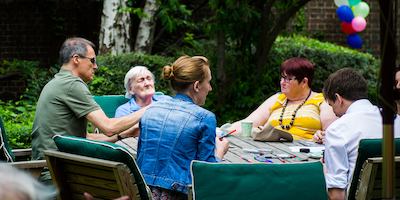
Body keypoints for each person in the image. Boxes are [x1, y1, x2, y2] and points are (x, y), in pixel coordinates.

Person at [31, 37, 146, 182]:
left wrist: (124, 134)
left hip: (48, 170)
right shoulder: (72, 85)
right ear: (76, 59)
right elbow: (109, 127)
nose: (96, 66)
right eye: (92, 60)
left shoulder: (57, 82)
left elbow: (87, 137)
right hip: (59, 175)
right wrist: (148, 109)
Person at [136, 55, 230, 199]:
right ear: (197, 86)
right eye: (209, 82)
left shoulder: (150, 111)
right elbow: (207, 173)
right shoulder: (205, 118)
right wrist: (220, 153)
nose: (210, 88)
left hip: (142, 193)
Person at [323, 68, 400, 200]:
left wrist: (325, 168)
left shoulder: (337, 130)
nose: (333, 112)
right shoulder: (396, 120)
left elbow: (337, 195)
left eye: (331, 105)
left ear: (338, 98)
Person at [231, 57, 337, 140]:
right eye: (282, 77)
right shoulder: (278, 99)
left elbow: (332, 132)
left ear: (304, 82)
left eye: (288, 79)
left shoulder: (321, 101)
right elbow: (248, 123)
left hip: (305, 154)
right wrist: (221, 131)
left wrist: (321, 136)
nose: (282, 82)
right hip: (270, 152)